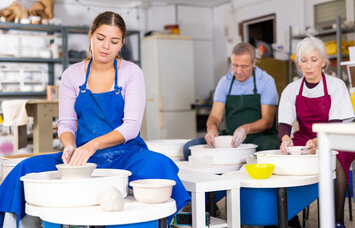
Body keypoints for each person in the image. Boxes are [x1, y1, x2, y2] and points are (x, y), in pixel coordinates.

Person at [0, 11, 190, 227]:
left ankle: (151, 221)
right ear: (90, 35)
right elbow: (66, 123)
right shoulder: (72, 74)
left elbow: (131, 127)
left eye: (114, 41)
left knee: (159, 164)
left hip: (126, 154)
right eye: (100, 38)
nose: (106, 46)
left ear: (121, 44)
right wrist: (70, 146)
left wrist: (91, 146)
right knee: (25, 168)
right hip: (82, 157)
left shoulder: (131, 72)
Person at [278, 36, 355, 228]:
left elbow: (335, 126)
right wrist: (285, 139)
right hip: (304, 137)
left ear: (323, 61)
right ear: (298, 64)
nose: (309, 66)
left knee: (334, 159)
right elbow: (284, 125)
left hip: (336, 137)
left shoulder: (336, 86)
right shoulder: (292, 89)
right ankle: (288, 217)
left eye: (313, 60)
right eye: (303, 61)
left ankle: (336, 221)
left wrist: (317, 143)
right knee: (282, 158)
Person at [183, 42, 279, 160]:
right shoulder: (225, 82)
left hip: (260, 138)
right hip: (231, 138)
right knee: (189, 148)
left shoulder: (266, 81)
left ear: (254, 63)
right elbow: (215, 116)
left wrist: (245, 129)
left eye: (244, 66)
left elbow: (267, 121)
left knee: (269, 152)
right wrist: (211, 129)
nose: (238, 71)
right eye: (235, 65)